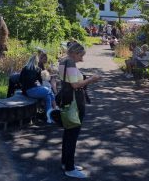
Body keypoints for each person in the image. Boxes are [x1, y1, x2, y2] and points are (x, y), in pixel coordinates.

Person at [59, 42, 101, 178]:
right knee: (72, 134)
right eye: (81, 56)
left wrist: (83, 77)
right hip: (74, 101)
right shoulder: (70, 63)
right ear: (75, 53)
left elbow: (67, 80)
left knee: (68, 133)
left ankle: (66, 162)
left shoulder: (63, 61)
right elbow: (75, 84)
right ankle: (70, 168)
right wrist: (91, 79)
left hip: (67, 99)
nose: (82, 59)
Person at [20, 53, 56, 123]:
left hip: (26, 91)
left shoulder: (24, 68)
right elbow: (40, 82)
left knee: (48, 97)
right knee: (49, 90)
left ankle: (49, 118)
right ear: (36, 61)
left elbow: (21, 80)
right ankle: (54, 109)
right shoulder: (38, 69)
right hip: (34, 91)